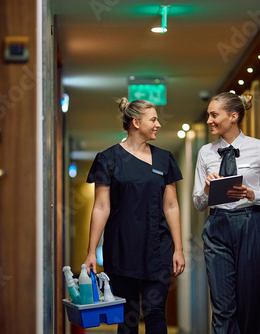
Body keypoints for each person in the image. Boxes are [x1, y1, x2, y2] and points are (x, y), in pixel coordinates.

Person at [85, 97, 185, 334]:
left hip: (157, 247)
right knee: (128, 317)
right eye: (153, 119)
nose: (158, 124)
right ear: (136, 122)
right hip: (122, 248)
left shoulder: (164, 158)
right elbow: (101, 207)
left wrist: (178, 248)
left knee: (155, 312)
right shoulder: (108, 158)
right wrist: (91, 251)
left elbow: (171, 206)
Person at [192, 92, 260, 334]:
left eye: (214, 115)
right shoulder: (205, 153)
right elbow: (198, 202)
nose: (209, 120)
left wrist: (251, 194)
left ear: (233, 116)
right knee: (222, 306)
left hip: (250, 224)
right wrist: (207, 190)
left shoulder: (259, 148)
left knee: (251, 301)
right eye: (209, 115)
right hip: (217, 227)